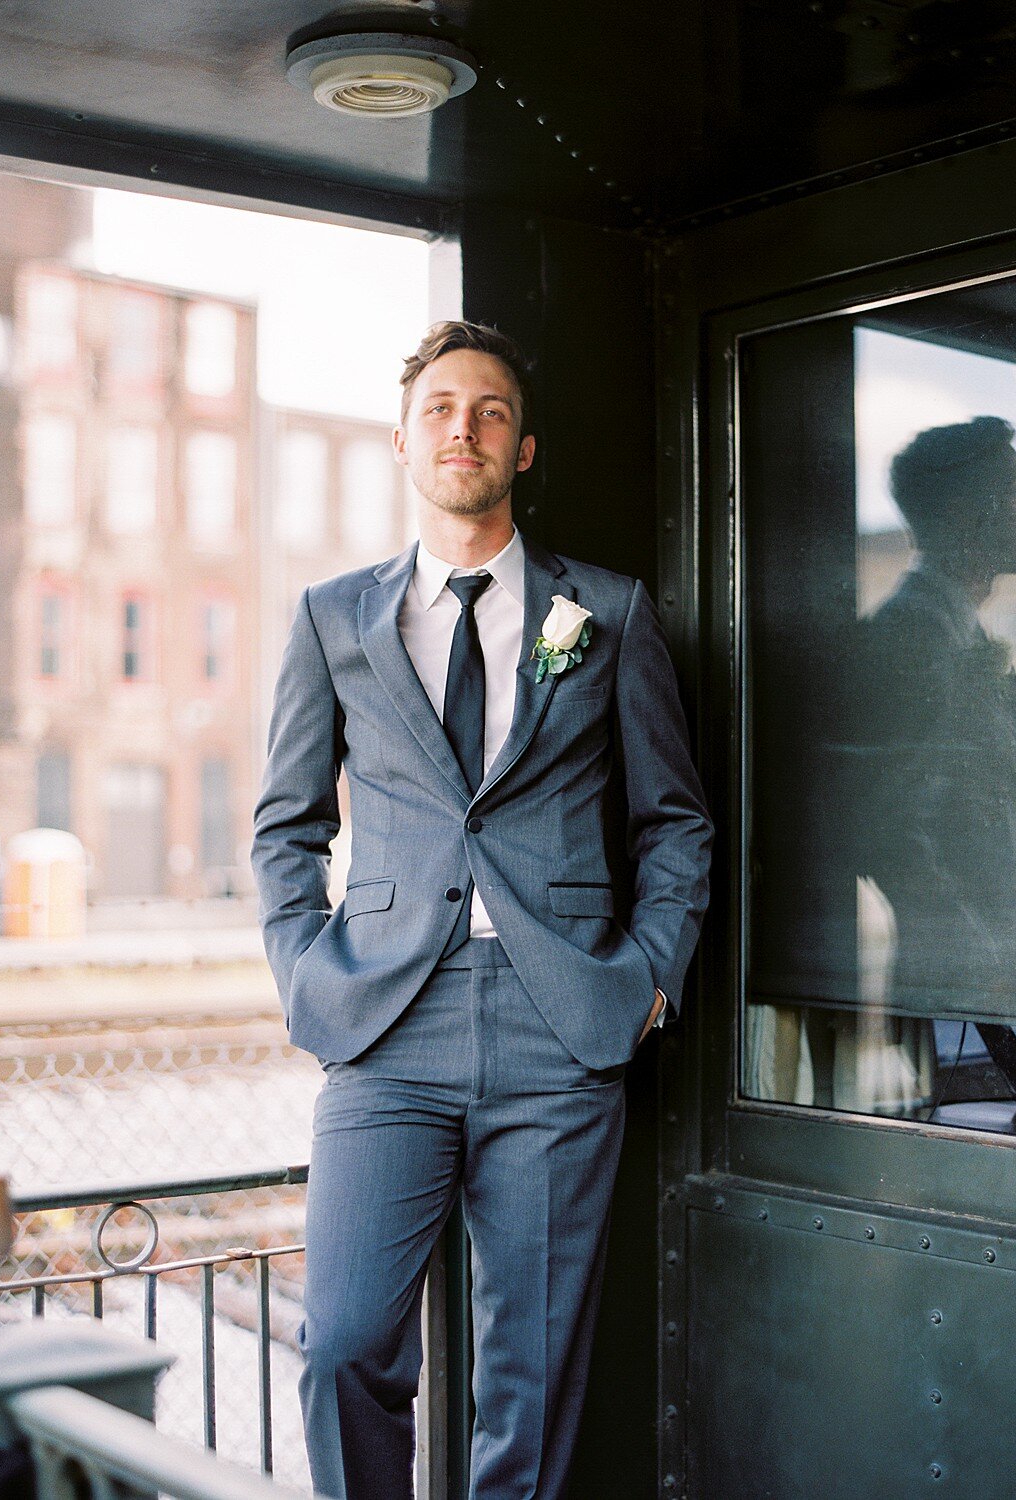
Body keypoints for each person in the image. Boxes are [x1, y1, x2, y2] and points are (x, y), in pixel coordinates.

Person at [252, 320, 713, 1499]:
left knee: (532, 1373)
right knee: (344, 1344)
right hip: (385, 1029)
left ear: (522, 450)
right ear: (404, 443)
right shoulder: (331, 619)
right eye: (443, 409)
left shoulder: (602, 612)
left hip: (559, 1026)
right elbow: (285, 827)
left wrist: (650, 974)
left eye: (491, 412)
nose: (466, 427)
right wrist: (309, 973)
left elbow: (673, 818)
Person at [854, 416, 1016, 1132]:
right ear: (970, 512)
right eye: (1015, 491)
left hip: (1009, 996)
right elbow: (889, 832)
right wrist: (985, 967)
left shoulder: (964, 638)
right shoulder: (908, 639)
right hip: (973, 1012)